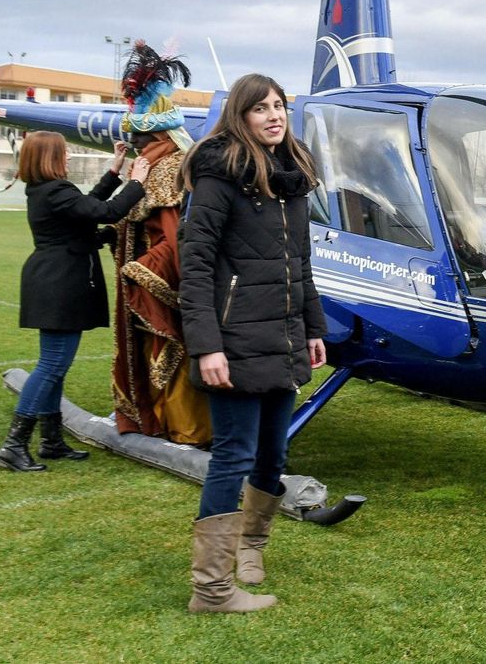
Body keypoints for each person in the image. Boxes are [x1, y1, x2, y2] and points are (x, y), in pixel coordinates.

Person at [178, 73, 326, 613]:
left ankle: (251, 547)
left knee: (274, 452)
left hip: (283, 336)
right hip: (233, 340)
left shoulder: (292, 181)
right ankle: (212, 589)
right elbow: (194, 267)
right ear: (238, 117)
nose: (273, 115)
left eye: (279, 105)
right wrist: (206, 346)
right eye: (260, 108)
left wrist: (313, 328)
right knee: (233, 455)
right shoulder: (218, 179)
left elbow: (301, 266)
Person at [0, 131, 150, 471]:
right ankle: (14, 445)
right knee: (52, 365)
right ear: (50, 157)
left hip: (52, 281)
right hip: (59, 284)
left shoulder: (46, 191)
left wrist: (114, 170)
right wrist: (137, 181)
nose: (67, 158)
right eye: (63, 153)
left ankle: (51, 441)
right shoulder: (56, 191)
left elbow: (86, 209)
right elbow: (105, 211)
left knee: (56, 366)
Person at [109, 40, 208, 445]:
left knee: (171, 352)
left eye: (137, 137)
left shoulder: (168, 166)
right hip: (143, 280)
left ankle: (185, 428)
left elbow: (172, 234)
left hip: (158, 286)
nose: (134, 145)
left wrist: (142, 272)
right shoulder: (150, 163)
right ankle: (164, 421)